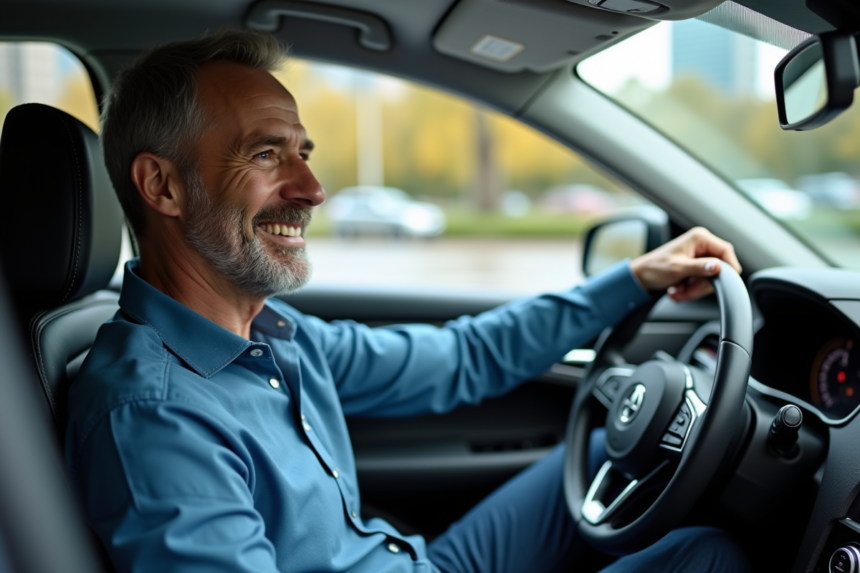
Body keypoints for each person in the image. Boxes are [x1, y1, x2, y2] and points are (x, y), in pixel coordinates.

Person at [65, 30, 751, 573]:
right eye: (267, 154)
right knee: (710, 555)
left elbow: (461, 357)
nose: (312, 187)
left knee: (610, 447)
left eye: (303, 152)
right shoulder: (153, 417)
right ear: (163, 187)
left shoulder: (272, 333)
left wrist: (632, 279)